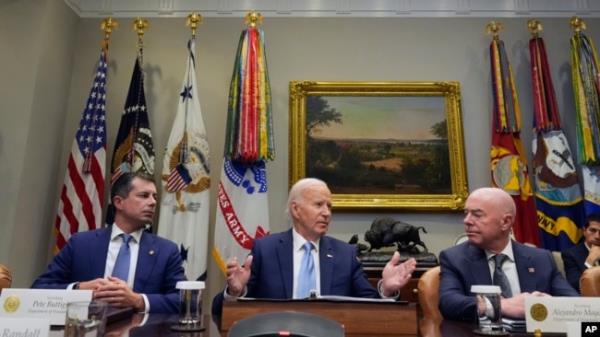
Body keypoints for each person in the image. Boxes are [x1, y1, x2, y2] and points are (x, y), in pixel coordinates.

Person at [212, 178, 417, 317]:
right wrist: (234, 292)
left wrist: (386, 290)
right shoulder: (265, 250)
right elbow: (219, 312)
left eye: (329, 206)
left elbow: (370, 308)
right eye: (319, 205)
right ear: (296, 210)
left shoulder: (345, 254)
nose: (327, 213)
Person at [32, 172, 186, 313]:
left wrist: (138, 300)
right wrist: (79, 288)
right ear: (119, 202)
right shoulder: (81, 244)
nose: (153, 202)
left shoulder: (166, 251)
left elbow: (185, 301)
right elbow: (39, 289)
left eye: (155, 197)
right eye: (144, 195)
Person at [439, 187, 578, 322]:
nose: (467, 221)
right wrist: (500, 305)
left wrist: (549, 304)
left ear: (505, 222)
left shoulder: (541, 259)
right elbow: (448, 303)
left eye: (477, 214)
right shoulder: (454, 258)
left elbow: (575, 304)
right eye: (466, 213)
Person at [562, 215, 600, 292]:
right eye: (593, 230)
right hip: (586, 300)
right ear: (584, 231)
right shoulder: (570, 254)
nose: (597, 236)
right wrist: (589, 262)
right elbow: (575, 284)